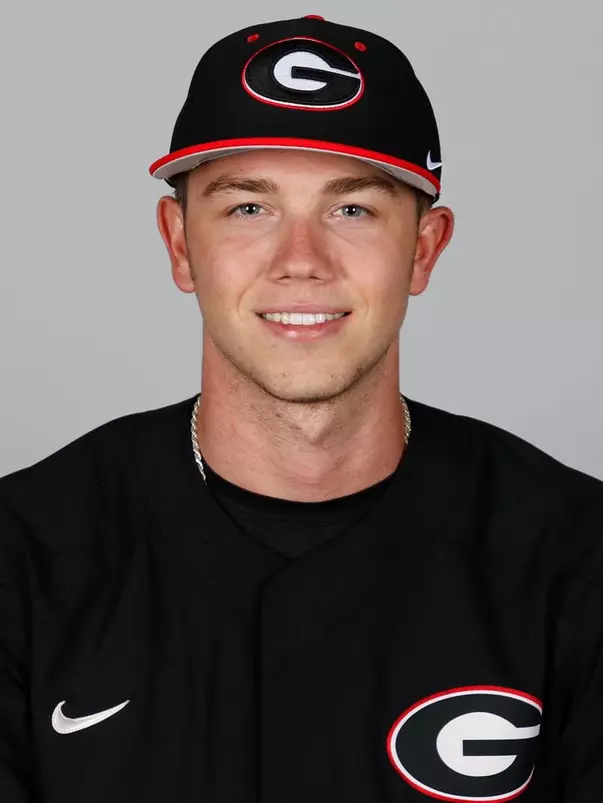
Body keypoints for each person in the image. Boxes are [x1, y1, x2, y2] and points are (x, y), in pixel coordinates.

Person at [0, 14, 601, 803]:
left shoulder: (573, 553)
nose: (301, 262)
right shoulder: (25, 554)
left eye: (351, 210)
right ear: (180, 245)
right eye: (248, 208)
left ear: (423, 248)